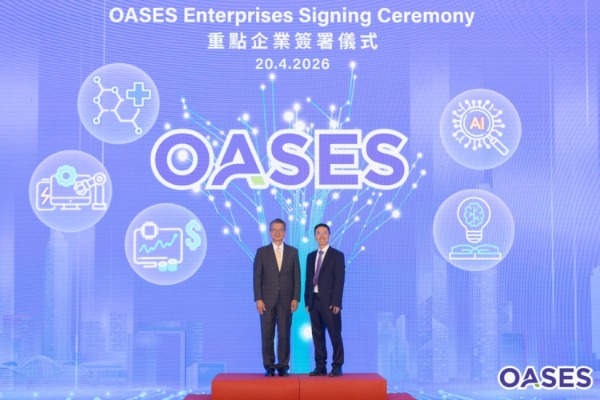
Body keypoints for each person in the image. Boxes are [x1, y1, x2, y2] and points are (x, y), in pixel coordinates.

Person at [253, 218, 301, 377]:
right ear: (270, 232)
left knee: (284, 334)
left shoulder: (293, 252)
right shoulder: (262, 252)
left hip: (286, 300)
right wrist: (258, 298)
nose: (277, 232)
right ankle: (269, 366)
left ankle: (283, 366)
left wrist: (295, 298)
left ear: (285, 232)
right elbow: (257, 278)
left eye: (280, 229)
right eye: (274, 229)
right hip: (266, 300)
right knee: (267, 334)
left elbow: (297, 277)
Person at [305, 223, 345, 377]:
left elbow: (339, 280)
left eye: (324, 233)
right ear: (315, 236)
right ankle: (320, 366)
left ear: (329, 235)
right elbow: (308, 280)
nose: (321, 236)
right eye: (318, 233)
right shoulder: (310, 256)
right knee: (317, 335)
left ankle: (337, 366)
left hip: (330, 303)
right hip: (314, 301)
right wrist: (307, 301)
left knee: (335, 334)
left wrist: (337, 302)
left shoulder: (337, 255)